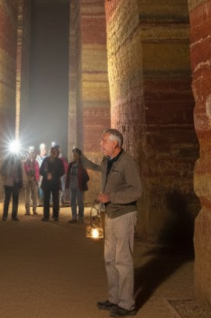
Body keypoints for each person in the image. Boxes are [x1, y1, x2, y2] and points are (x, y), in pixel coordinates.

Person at [80, 129, 142, 317]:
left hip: (124, 215)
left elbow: (137, 191)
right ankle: (114, 299)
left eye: (104, 140)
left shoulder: (127, 163)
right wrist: (103, 201)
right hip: (110, 215)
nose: (101, 143)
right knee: (109, 259)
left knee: (123, 260)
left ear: (115, 143)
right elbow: (108, 186)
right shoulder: (106, 161)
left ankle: (127, 304)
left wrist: (111, 197)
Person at [39, 143, 65, 221]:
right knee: (46, 200)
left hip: (55, 183)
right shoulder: (45, 160)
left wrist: (53, 175)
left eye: (55, 152)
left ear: (57, 153)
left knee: (55, 200)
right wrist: (46, 174)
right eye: (52, 151)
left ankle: (55, 216)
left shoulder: (59, 161)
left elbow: (62, 171)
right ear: (50, 152)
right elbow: (41, 170)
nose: (53, 153)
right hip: (47, 183)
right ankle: (46, 216)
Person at [65, 147, 89, 223]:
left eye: (75, 153)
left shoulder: (82, 165)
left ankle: (80, 218)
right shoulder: (71, 164)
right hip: (72, 185)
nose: (74, 155)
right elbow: (68, 175)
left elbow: (86, 176)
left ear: (79, 155)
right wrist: (67, 185)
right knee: (72, 202)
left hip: (79, 186)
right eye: (73, 153)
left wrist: (81, 182)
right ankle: (74, 217)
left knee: (80, 202)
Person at [0, 150, 24, 221]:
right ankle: (5, 216)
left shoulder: (18, 162)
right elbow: (2, 169)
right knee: (7, 199)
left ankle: (14, 216)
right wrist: (3, 175)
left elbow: (20, 172)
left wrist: (20, 182)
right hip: (8, 183)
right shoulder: (6, 160)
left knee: (15, 200)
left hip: (15, 183)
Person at [23, 147, 40, 215]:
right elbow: (26, 170)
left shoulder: (36, 162)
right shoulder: (26, 162)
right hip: (28, 179)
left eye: (32, 153)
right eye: (30, 153)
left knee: (34, 195)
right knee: (28, 195)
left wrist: (36, 179)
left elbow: (37, 171)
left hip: (34, 180)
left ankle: (34, 209)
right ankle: (27, 210)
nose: (32, 154)